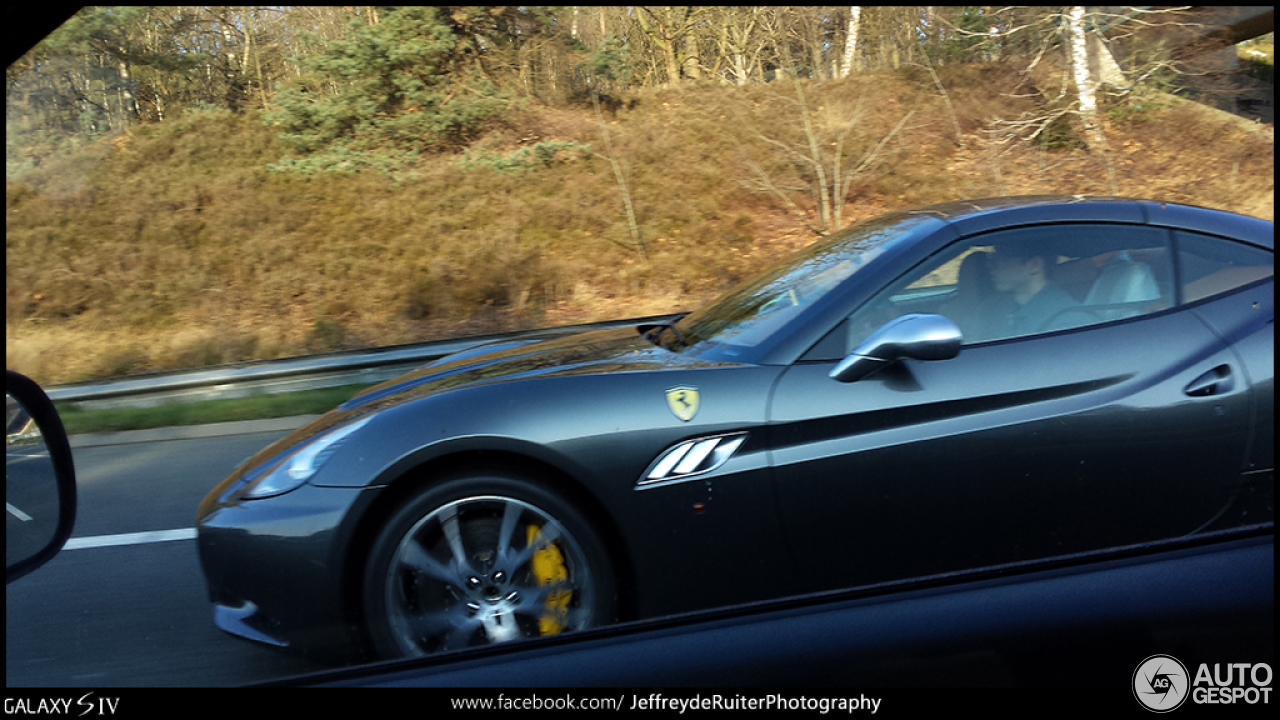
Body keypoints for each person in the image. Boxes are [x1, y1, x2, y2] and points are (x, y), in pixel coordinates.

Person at [985, 243, 1090, 338]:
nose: (991, 265)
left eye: (1002, 258)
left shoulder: (1067, 322)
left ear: (1035, 265)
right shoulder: (997, 307)